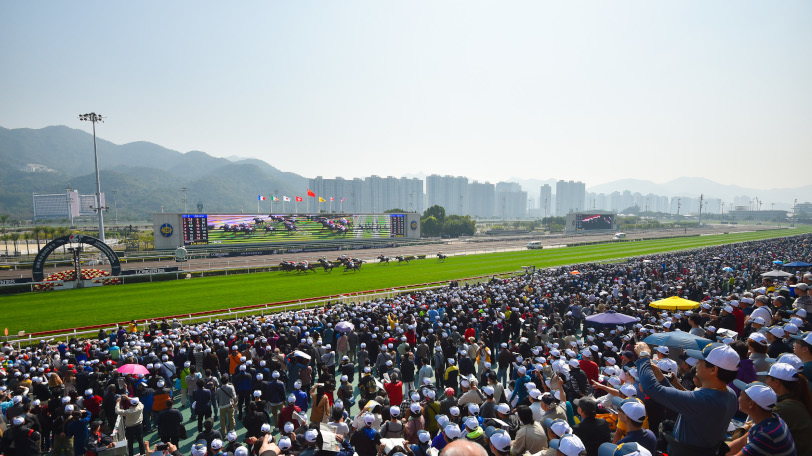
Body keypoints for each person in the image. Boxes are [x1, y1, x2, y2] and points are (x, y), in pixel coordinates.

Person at [634, 342, 739, 456]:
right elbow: (686, 402)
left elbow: (651, 388)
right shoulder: (730, 394)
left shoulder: (702, 400)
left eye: (700, 361)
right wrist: (662, 379)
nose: (696, 364)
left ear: (713, 370)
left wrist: (644, 356)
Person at [727, 382, 797, 456]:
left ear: (751, 404)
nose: (739, 397)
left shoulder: (766, 435)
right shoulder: (771, 419)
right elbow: (742, 442)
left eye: (741, 394)